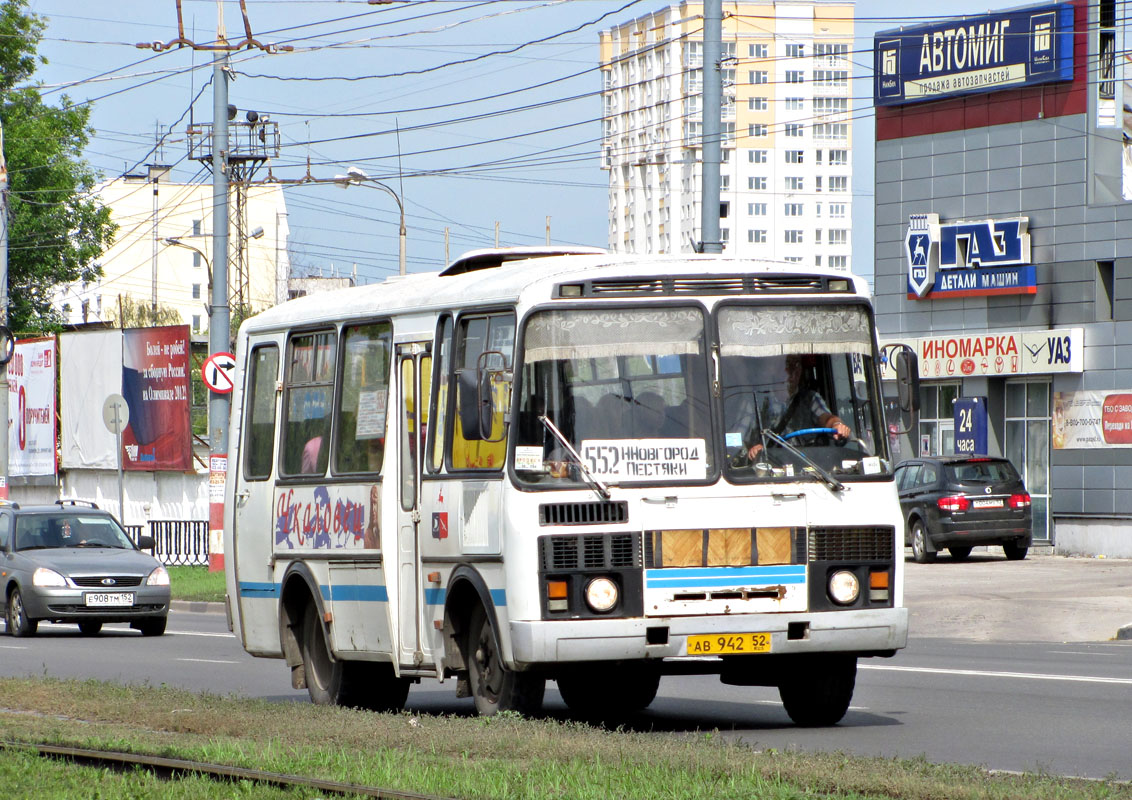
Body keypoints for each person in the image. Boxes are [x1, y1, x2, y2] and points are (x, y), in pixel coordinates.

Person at [746, 354, 850, 461]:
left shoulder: (811, 399)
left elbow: (827, 418)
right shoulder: (757, 403)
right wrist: (753, 449)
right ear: (773, 369)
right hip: (771, 472)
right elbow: (738, 439)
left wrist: (836, 425)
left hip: (810, 469)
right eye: (787, 365)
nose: (793, 372)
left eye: (797, 365)